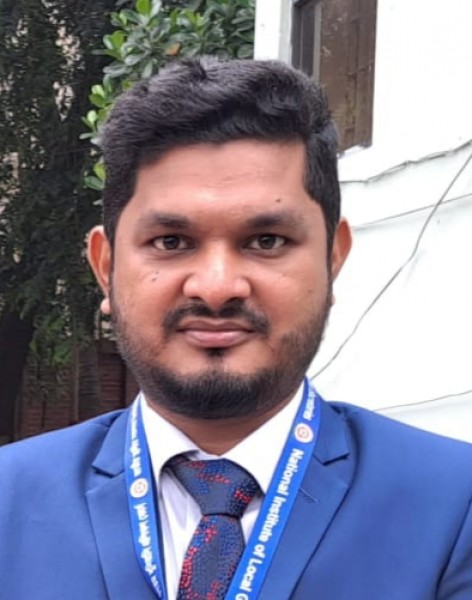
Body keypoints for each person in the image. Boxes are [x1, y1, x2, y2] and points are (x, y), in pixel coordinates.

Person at [0, 57, 472, 600]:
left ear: (333, 259)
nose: (217, 287)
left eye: (267, 241)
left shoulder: (454, 507)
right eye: (171, 242)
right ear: (105, 267)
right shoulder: (10, 501)